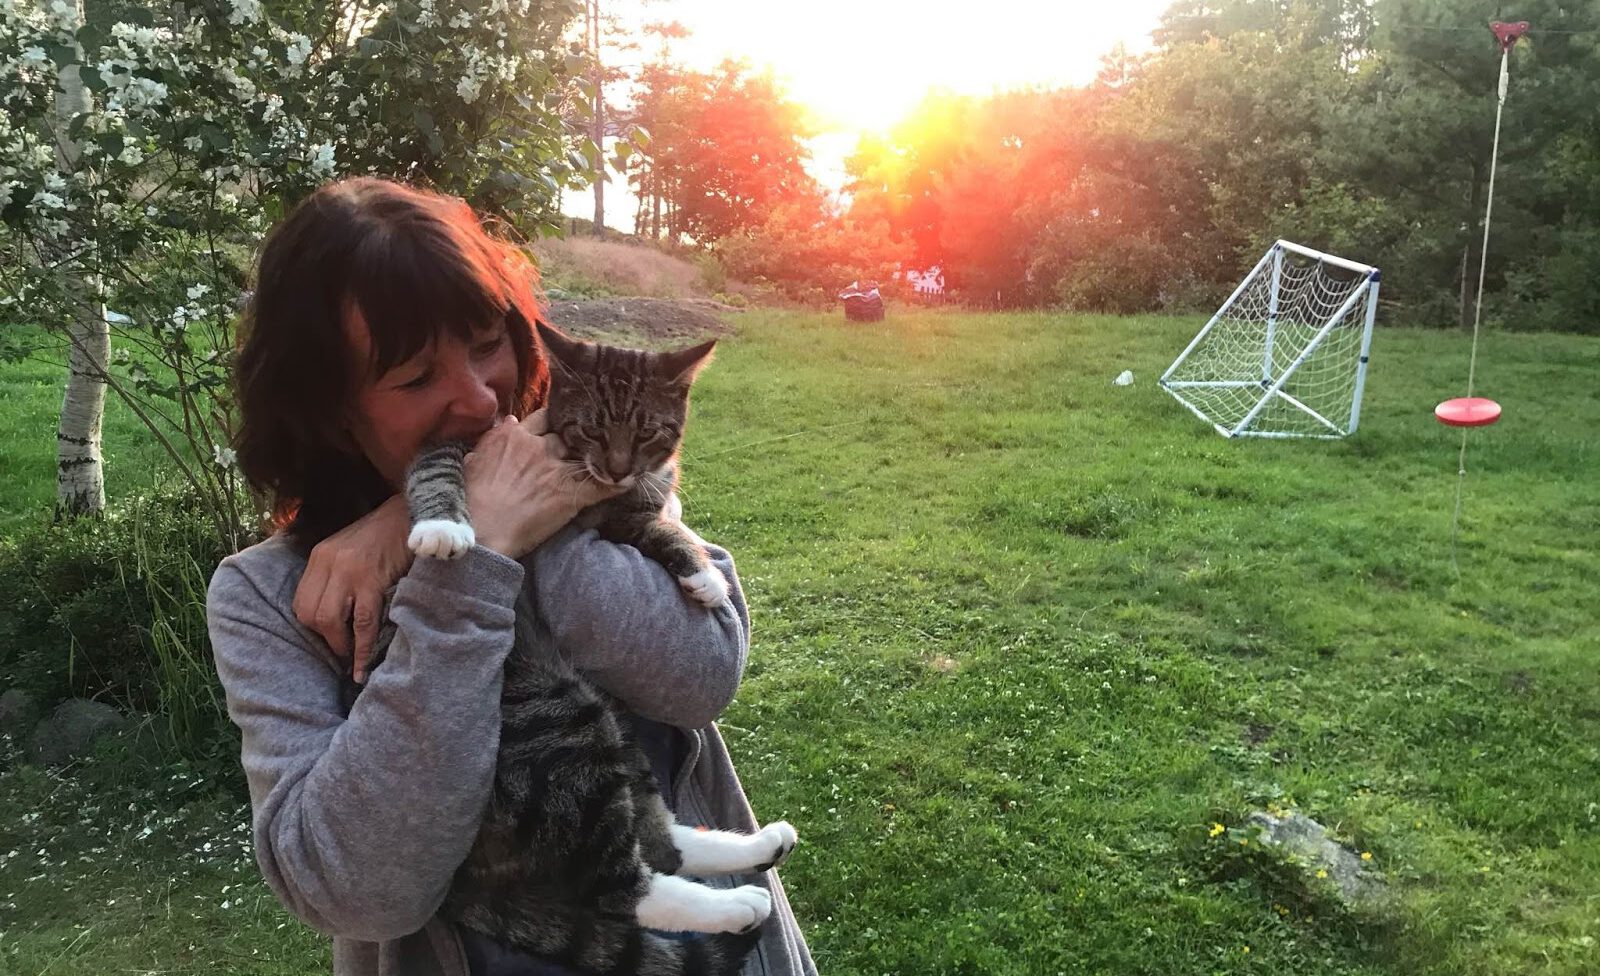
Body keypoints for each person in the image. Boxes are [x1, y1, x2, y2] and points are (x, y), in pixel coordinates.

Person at [206, 176, 817, 976]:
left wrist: (504, 519)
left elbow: (701, 674)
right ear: (332, 410)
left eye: (488, 342)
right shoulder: (270, 598)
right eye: (416, 378)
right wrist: (466, 568)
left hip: (733, 950)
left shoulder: (592, 464)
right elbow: (359, 890)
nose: (479, 397)